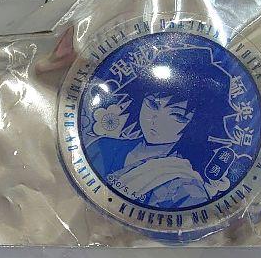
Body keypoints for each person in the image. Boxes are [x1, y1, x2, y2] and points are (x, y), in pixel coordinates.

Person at [84, 46, 243, 210]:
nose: (156, 120)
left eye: (177, 115)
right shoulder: (102, 146)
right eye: (152, 104)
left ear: (196, 124)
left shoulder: (184, 185)